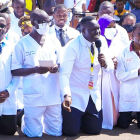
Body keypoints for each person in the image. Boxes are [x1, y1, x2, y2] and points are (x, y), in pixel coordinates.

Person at [11, 9, 62, 137]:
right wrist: (35, 70)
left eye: (48, 22)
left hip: (53, 92)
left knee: (55, 132)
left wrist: (56, 67)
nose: (46, 25)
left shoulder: (53, 41)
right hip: (33, 95)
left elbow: (62, 62)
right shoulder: (22, 44)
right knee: (33, 134)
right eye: (42, 22)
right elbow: (15, 70)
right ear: (33, 23)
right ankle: (24, 120)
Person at [60, 16, 113, 136]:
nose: (98, 32)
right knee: (71, 132)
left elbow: (110, 68)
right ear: (83, 31)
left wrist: (105, 64)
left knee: (94, 130)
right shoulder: (73, 46)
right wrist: (66, 95)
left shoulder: (102, 41)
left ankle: (81, 119)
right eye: (93, 30)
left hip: (93, 94)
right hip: (76, 95)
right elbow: (64, 74)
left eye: (98, 29)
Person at [98, 1, 130, 130]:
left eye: (109, 12)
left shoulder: (120, 31)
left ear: (114, 13)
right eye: (104, 11)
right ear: (99, 12)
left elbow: (126, 51)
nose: (106, 14)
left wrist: (118, 60)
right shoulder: (92, 27)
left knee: (115, 97)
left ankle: (114, 118)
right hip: (98, 72)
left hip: (116, 71)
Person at [116, 23, 140, 129]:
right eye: (139, 34)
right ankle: (132, 115)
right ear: (132, 34)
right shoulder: (123, 52)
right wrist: (137, 72)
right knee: (123, 125)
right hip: (129, 95)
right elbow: (120, 75)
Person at [0, 13, 19, 135]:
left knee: (10, 131)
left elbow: (17, 74)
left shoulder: (13, 48)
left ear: (6, 28)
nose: (0, 29)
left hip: (7, 98)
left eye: (2, 25)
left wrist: (8, 92)